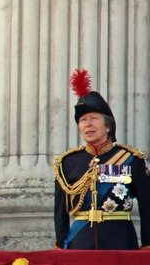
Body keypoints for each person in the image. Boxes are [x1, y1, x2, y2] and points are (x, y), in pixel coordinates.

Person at [53, 69, 150, 250]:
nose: (87, 124)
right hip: (80, 244)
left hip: (120, 244)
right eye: (82, 120)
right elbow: (60, 213)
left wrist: (147, 245)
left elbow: (147, 207)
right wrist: (61, 245)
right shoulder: (67, 163)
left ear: (107, 126)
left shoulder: (131, 160)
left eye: (93, 119)